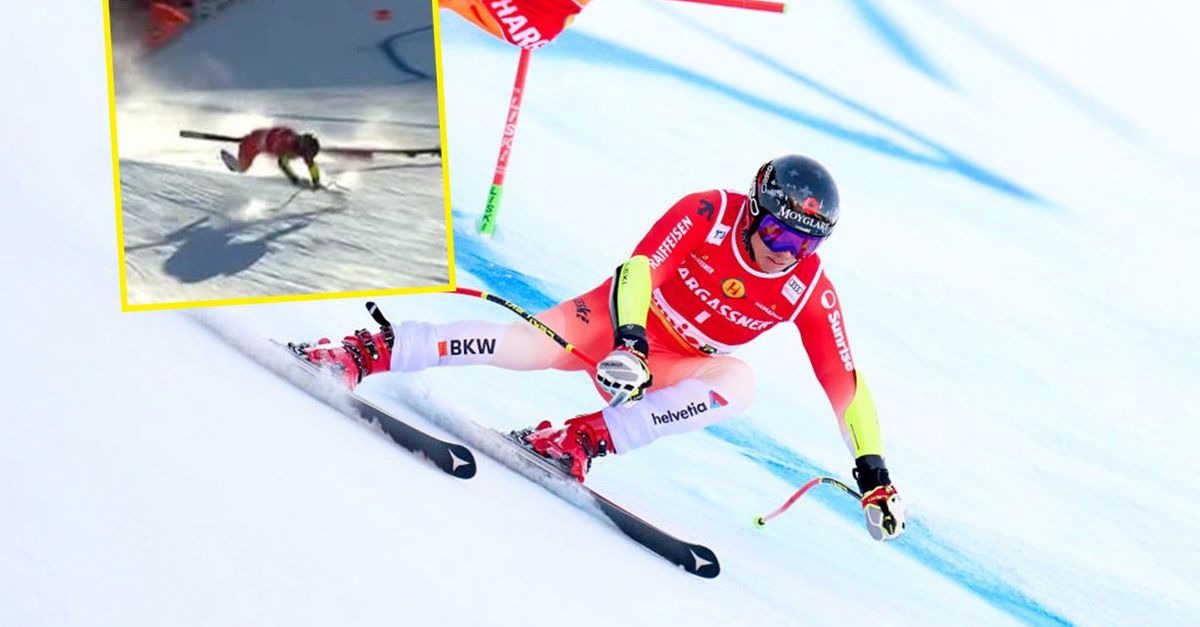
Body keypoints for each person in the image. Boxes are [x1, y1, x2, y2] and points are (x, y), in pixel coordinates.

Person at [293, 155, 906, 541]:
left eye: (801, 245)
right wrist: (632, 342)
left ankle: (580, 439)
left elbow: (845, 382)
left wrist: (873, 473)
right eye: (775, 230)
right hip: (615, 324)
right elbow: (639, 269)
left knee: (739, 385)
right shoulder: (709, 212)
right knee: (522, 348)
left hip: (671, 363)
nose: (782, 250)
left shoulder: (807, 288)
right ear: (754, 212)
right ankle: (368, 350)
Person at [221, 127, 322, 189]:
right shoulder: (286, 146)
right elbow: (282, 164)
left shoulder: (296, 143)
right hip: (251, 145)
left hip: (261, 135)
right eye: (308, 155)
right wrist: (294, 179)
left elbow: (311, 164)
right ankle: (226, 157)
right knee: (242, 168)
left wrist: (316, 180)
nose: (308, 158)